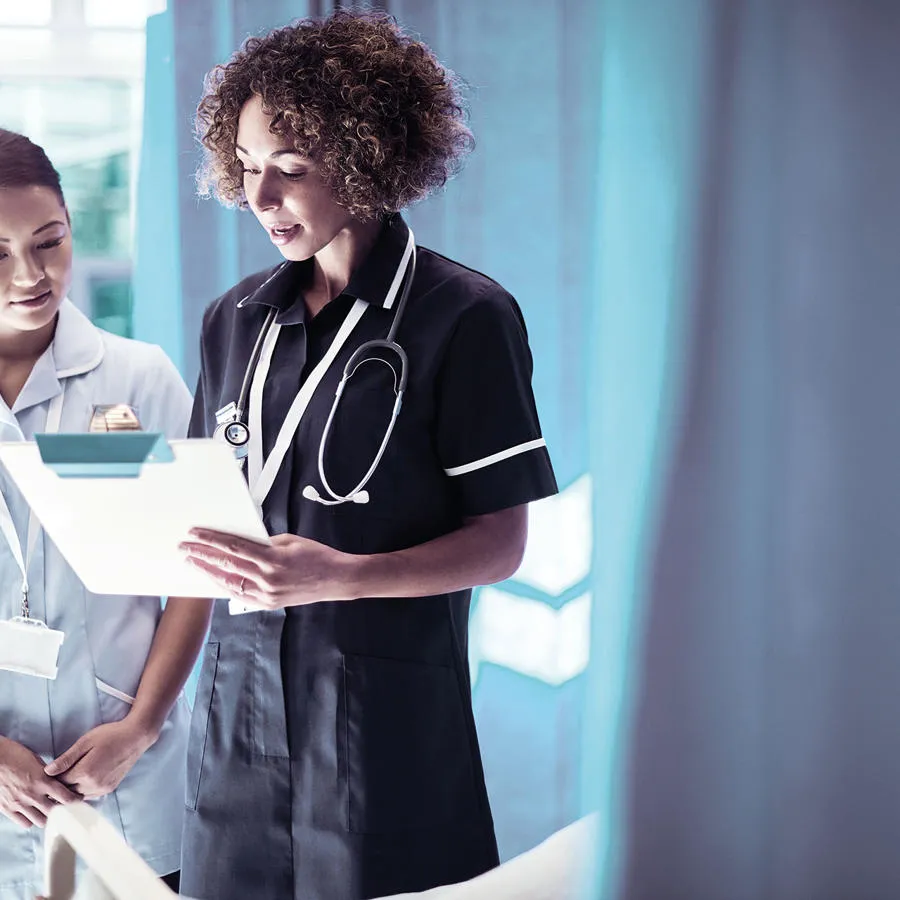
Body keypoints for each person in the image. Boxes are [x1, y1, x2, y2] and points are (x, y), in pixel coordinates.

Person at [178, 10, 558, 900]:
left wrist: (333, 576)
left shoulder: (464, 317)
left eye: (290, 170)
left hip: (380, 715)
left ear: (366, 155)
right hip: (234, 708)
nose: (258, 198)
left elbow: (500, 545)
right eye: (245, 167)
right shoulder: (234, 320)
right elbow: (209, 502)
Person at [0, 129, 211, 898]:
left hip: (125, 778)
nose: (31, 275)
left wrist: (142, 726)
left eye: (47, 241)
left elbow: (195, 573)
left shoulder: (134, 379)